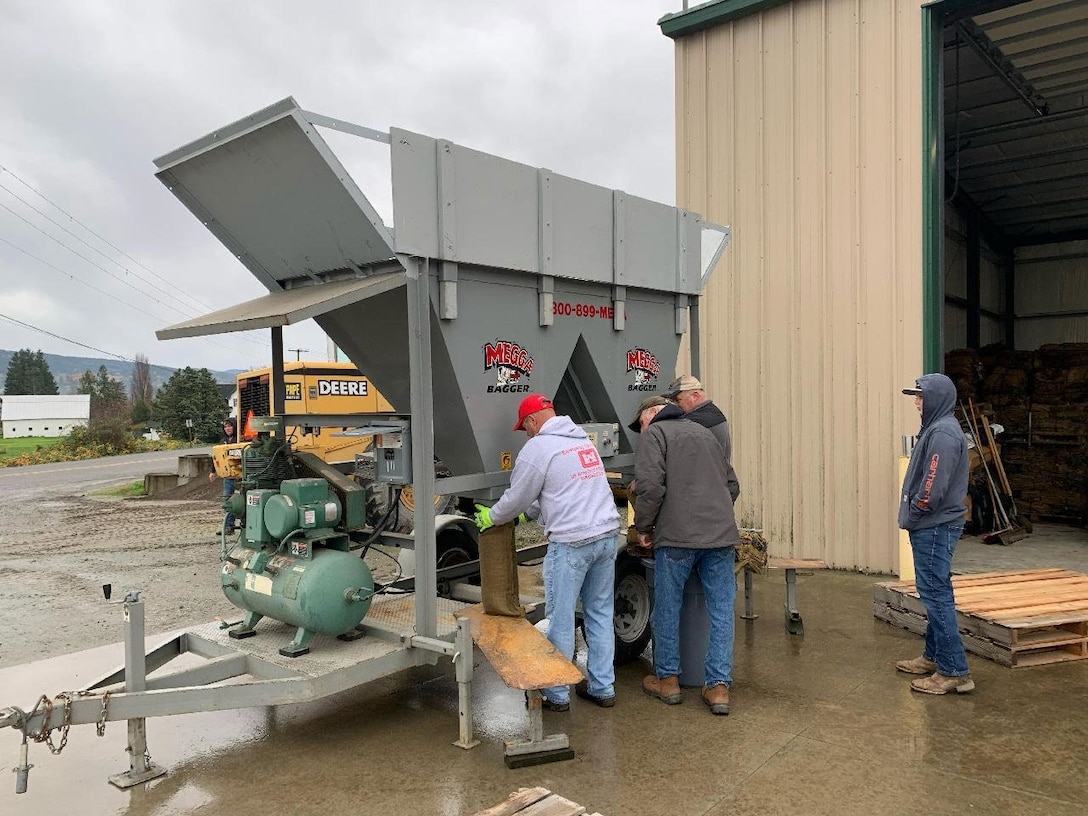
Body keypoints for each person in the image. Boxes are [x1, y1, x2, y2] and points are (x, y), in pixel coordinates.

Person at [474, 394, 620, 711]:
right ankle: (602, 687)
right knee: (599, 614)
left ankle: (556, 695)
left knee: (562, 619)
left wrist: (494, 516)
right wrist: (530, 513)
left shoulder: (538, 448)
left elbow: (516, 497)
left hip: (572, 543)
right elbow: (562, 488)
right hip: (606, 535)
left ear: (532, 420)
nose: (525, 434)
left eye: (524, 428)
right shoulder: (581, 440)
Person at [633, 399, 740, 715]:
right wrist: (713, 508)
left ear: (652, 415)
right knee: (721, 611)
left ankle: (668, 681)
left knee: (667, 607)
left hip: (677, 538)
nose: (642, 432)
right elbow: (732, 485)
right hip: (720, 535)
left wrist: (644, 527)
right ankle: (718, 687)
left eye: (640, 424)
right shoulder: (704, 431)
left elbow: (650, 486)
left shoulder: (657, 434)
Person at [896, 374, 973, 694]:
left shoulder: (941, 432)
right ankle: (933, 656)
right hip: (935, 524)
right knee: (936, 591)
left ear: (937, 398)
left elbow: (932, 487)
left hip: (933, 525)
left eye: (921, 397)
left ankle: (954, 670)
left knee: (935, 595)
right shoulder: (938, 428)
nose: (916, 402)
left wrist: (916, 511)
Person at [662, 375, 740, 503]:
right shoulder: (712, 415)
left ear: (695, 396)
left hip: (706, 494)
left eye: (678, 400)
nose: (675, 405)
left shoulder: (700, 420)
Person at [209, 417, 239, 533]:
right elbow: (216, 457)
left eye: (229, 426)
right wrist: (213, 471)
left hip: (240, 476)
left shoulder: (239, 439)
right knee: (228, 501)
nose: (227, 428)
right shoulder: (223, 442)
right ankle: (228, 525)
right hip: (228, 477)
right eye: (225, 426)